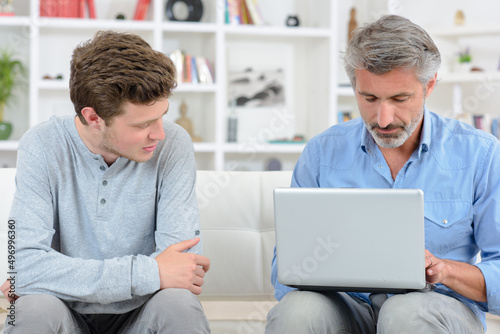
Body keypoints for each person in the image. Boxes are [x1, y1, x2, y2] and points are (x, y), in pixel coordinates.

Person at [266, 15, 500, 334]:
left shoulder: (480, 154)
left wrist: (445, 271)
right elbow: (286, 270)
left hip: (440, 310)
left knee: (406, 312)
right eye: (369, 98)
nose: (384, 119)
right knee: (297, 310)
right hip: (347, 309)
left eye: (399, 99)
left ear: (429, 85)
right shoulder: (322, 153)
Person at [1, 31, 211, 333]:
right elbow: (22, 267)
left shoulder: (174, 145)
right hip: (63, 310)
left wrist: (51, 274)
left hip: (142, 313)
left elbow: (183, 269)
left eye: (161, 116)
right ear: (93, 117)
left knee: (179, 305)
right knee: (31, 311)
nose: (159, 134)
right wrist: (151, 271)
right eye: (142, 124)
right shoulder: (42, 145)